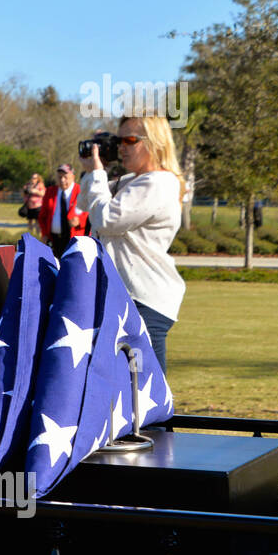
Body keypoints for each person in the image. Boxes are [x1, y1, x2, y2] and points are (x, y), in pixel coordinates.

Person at [80, 113, 185, 376]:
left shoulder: (158, 182)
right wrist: (94, 169)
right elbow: (86, 203)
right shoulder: (134, 181)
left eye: (129, 140)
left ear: (155, 143)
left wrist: (97, 175)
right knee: (127, 387)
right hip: (128, 294)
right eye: (118, 140)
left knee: (143, 388)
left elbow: (105, 219)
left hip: (143, 297)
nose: (121, 147)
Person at [38, 163, 87, 259]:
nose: (62, 180)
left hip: (74, 239)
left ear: (73, 177)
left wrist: (80, 220)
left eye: (65, 177)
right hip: (54, 239)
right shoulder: (50, 191)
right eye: (59, 177)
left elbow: (90, 214)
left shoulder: (81, 191)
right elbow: (42, 216)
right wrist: (44, 234)